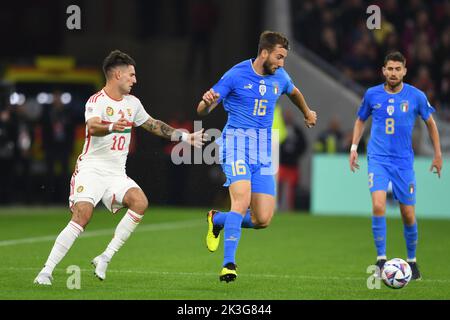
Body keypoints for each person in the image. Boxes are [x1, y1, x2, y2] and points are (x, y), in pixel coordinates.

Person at [34, 50, 205, 285]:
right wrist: (113, 125)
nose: (135, 80)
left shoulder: (133, 103)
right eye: (131, 75)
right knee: (83, 215)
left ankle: (105, 257)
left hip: (116, 173)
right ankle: (46, 271)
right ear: (117, 74)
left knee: (140, 201)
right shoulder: (97, 101)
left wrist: (184, 137)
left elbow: (153, 125)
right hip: (91, 169)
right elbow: (93, 127)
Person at [197, 31, 317, 282]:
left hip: (263, 153)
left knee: (262, 219)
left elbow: (293, 92)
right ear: (264, 53)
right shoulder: (236, 75)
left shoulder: (280, 77)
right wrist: (206, 103)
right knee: (240, 204)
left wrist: (307, 112)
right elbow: (204, 108)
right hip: (236, 146)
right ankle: (229, 264)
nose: (282, 63)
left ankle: (217, 219)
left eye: (284, 58)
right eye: (279, 57)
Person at [349, 51, 442, 280]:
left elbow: (430, 123)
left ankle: (412, 261)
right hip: (378, 159)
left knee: (408, 214)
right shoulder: (372, 94)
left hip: (403, 163)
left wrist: (438, 154)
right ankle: (381, 259)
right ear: (383, 71)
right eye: (389, 69)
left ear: (404, 71)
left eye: (397, 69)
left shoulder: (416, 96)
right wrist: (353, 148)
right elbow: (361, 120)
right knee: (379, 206)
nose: (393, 73)